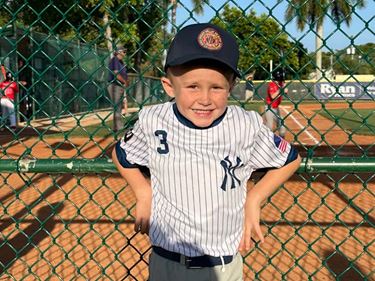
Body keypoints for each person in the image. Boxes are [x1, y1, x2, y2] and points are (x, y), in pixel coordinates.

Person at [112, 23, 301, 281]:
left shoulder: (245, 124)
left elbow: (290, 159)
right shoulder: (153, 119)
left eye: (217, 87)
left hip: (223, 265)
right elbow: (121, 154)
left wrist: (253, 200)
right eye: (192, 87)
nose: (205, 98)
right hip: (166, 261)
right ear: (169, 86)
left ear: (231, 86)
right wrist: (143, 192)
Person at [108, 46, 129, 132]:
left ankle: (117, 126)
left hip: (119, 85)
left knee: (119, 106)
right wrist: (125, 81)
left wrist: (126, 81)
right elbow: (116, 74)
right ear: (119, 52)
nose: (125, 54)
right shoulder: (115, 60)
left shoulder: (121, 62)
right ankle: (118, 127)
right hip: (114, 85)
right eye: (124, 52)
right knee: (117, 106)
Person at [264, 69, 288, 137]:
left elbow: (286, 91)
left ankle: (281, 142)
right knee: (270, 127)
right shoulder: (272, 84)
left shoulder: (281, 84)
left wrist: (284, 88)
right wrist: (281, 89)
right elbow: (273, 96)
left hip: (276, 108)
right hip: (269, 108)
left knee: (282, 127)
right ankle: (265, 141)